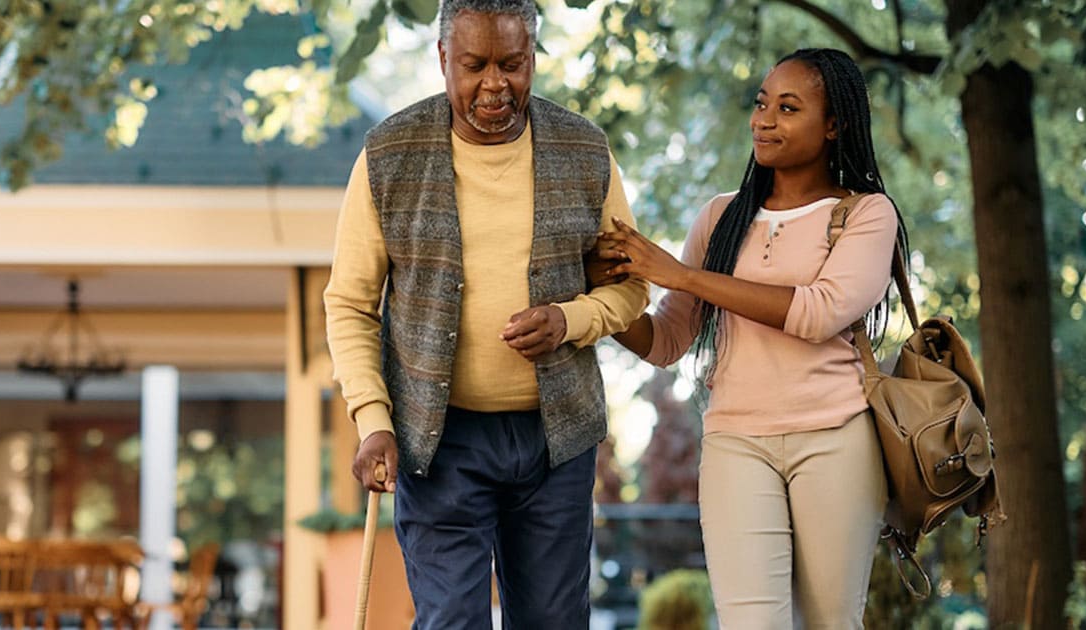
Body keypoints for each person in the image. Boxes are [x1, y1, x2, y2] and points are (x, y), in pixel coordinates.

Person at [322, 0, 649, 627]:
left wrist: (569, 319)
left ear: (533, 59)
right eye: (475, 65)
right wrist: (372, 418)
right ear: (444, 59)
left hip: (557, 440)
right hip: (439, 441)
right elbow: (351, 304)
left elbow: (632, 290)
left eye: (513, 64)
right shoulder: (388, 154)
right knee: (452, 622)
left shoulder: (585, 151)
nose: (495, 84)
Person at [595, 48, 906, 628]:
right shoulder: (720, 218)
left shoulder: (866, 215)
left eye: (788, 108)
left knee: (829, 622)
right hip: (737, 442)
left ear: (834, 124)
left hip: (835, 439)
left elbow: (819, 312)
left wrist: (682, 274)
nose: (764, 119)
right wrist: (604, 301)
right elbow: (667, 340)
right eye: (762, 103)